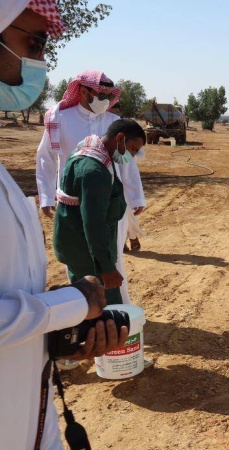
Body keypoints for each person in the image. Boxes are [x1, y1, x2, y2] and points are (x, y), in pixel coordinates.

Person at [0, 3, 127, 450]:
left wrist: (57, 339)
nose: (38, 62)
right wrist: (73, 305)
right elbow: (51, 166)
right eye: (32, 43)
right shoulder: (62, 119)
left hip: (30, 421)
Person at [37, 70, 147, 306]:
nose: (106, 100)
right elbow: (46, 158)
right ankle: (87, 308)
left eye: (109, 95)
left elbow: (128, 163)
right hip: (74, 204)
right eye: (102, 95)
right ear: (84, 91)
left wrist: (136, 197)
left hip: (110, 202)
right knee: (81, 262)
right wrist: (45, 196)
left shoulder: (112, 122)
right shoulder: (60, 118)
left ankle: (118, 307)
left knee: (112, 258)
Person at [53, 119, 148, 306]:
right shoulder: (94, 172)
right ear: (120, 138)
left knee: (85, 304)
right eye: (132, 149)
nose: (132, 155)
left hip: (79, 247)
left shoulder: (91, 152)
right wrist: (106, 267)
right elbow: (93, 224)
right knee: (104, 307)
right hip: (88, 255)